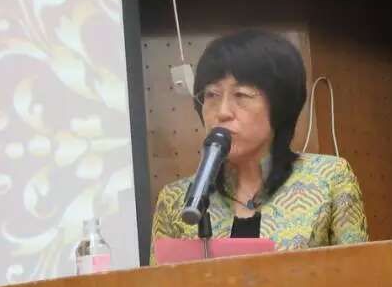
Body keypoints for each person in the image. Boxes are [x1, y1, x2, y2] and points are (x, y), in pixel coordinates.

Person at [150, 30, 368, 264]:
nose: (222, 112)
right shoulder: (176, 200)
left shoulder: (328, 179)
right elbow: (159, 286)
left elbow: (361, 275)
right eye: (212, 94)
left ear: (279, 106)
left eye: (241, 95)